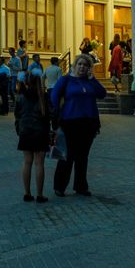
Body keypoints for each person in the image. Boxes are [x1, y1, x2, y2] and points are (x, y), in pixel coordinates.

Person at [50, 54, 106, 197]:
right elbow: (54, 97)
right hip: (70, 122)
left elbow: (102, 94)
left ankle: (81, 186)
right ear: (75, 65)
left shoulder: (90, 81)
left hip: (89, 123)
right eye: (80, 64)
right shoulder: (66, 80)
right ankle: (60, 186)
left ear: (89, 68)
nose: (82, 67)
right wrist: (59, 113)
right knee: (67, 155)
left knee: (83, 156)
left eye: (85, 65)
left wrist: (92, 79)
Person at [15, 72, 50, 203]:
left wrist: (19, 129)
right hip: (41, 132)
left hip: (25, 131)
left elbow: (17, 114)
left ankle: (27, 193)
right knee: (39, 164)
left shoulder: (20, 96)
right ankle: (40, 195)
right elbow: (49, 115)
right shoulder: (44, 96)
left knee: (27, 162)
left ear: (26, 82)